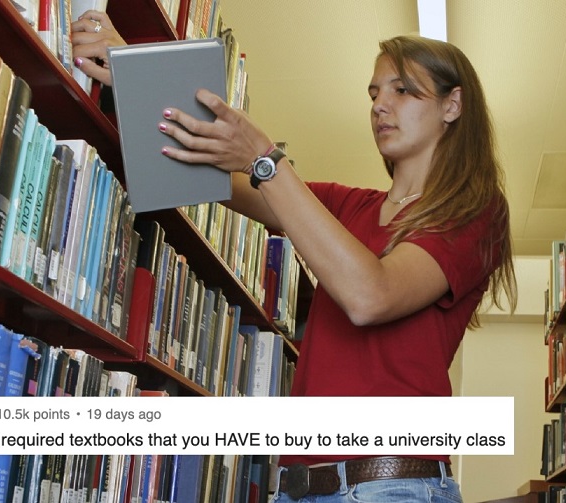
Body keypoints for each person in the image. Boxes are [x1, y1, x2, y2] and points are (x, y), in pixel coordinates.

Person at [72, 12, 517, 503]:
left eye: (403, 91)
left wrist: (266, 158)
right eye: (374, 94)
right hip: (298, 488)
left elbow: (371, 295)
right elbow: (221, 182)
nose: (379, 106)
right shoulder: (349, 206)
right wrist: (135, 77)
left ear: (453, 105)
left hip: (391, 486)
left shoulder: (476, 212)